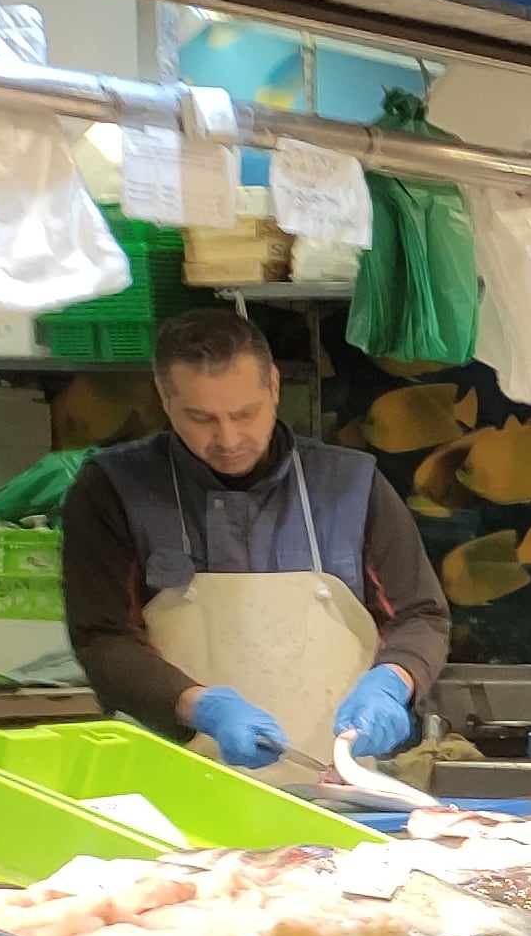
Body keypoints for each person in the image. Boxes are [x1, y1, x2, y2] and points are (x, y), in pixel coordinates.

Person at [61, 305, 450, 772]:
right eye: (201, 418)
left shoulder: (352, 484)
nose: (228, 438)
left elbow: (421, 616)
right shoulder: (112, 489)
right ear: (165, 400)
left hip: (338, 785)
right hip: (171, 782)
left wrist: (393, 680)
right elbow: (102, 637)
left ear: (274, 387)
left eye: (245, 413)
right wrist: (198, 707)